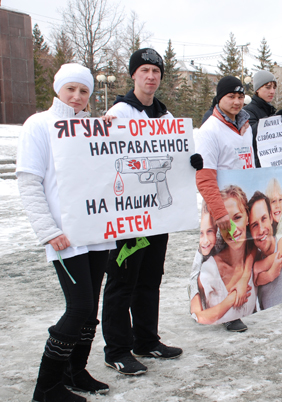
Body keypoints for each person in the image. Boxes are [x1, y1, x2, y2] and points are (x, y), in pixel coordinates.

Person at [17, 63, 115, 401]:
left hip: (97, 232)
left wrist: (113, 133)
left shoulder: (92, 126)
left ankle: (77, 370)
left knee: (90, 309)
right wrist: (47, 230)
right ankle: (46, 387)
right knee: (78, 307)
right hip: (64, 236)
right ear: (59, 89)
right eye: (71, 89)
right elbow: (29, 183)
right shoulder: (39, 125)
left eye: (84, 91)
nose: (77, 96)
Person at [102, 48, 182, 376]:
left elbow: (175, 155)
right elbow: (99, 158)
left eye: (156, 71)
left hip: (156, 216)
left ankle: (146, 339)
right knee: (122, 281)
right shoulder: (119, 111)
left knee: (150, 279)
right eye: (145, 70)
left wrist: (190, 160)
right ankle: (117, 349)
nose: (151, 76)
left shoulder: (166, 117)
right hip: (128, 218)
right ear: (133, 75)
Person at [193, 75, 255, 332]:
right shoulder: (210, 130)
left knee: (242, 253)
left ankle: (240, 306)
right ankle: (216, 308)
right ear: (220, 98)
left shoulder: (245, 126)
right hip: (220, 207)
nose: (237, 101)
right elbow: (204, 177)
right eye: (231, 96)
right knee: (215, 257)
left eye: (240, 96)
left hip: (241, 202)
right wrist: (219, 214)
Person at [192, 186, 257, 324]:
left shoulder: (255, 256)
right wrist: (232, 298)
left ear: (247, 217)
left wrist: (245, 277)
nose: (232, 229)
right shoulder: (210, 270)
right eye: (225, 223)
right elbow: (199, 317)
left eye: (237, 217)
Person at [244, 70, 282, 167]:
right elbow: (250, 135)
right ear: (257, 89)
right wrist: (273, 120)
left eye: (274, 87)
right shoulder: (248, 111)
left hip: (273, 164)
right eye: (268, 87)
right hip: (258, 167)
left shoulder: (270, 110)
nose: (272, 91)